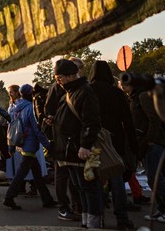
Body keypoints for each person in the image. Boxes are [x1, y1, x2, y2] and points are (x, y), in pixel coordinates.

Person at [50, 58, 104, 230]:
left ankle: (93, 223)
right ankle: (86, 221)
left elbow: (91, 121)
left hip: (80, 150)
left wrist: (85, 145)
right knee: (80, 188)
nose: (58, 80)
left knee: (90, 188)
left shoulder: (84, 92)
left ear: (72, 75)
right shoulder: (70, 92)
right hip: (69, 151)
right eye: (57, 77)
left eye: (61, 77)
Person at [125, 74, 165, 223]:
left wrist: (151, 139)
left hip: (154, 143)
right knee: (154, 177)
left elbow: (154, 118)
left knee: (155, 178)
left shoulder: (143, 96)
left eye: (125, 84)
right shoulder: (135, 97)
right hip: (147, 143)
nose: (122, 87)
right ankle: (163, 208)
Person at [89, 60, 136, 230]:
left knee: (94, 180)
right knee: (117, 180)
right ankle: (122, 218)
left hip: (93, 140)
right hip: (115, 140)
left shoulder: (88, 92)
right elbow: (127, 120)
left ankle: (99, 216)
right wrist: (133, 145)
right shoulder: (117, 93)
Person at [2, 84, 57, 210]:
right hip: (30, 144)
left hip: (20, 143)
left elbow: (10, 128)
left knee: (37, 174)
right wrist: (48, 145)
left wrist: (11, 146)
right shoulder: (29, 108)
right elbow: (37, 130)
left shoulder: (13, 107)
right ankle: (9, 197)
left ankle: (47, 199)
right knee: (21, 174)